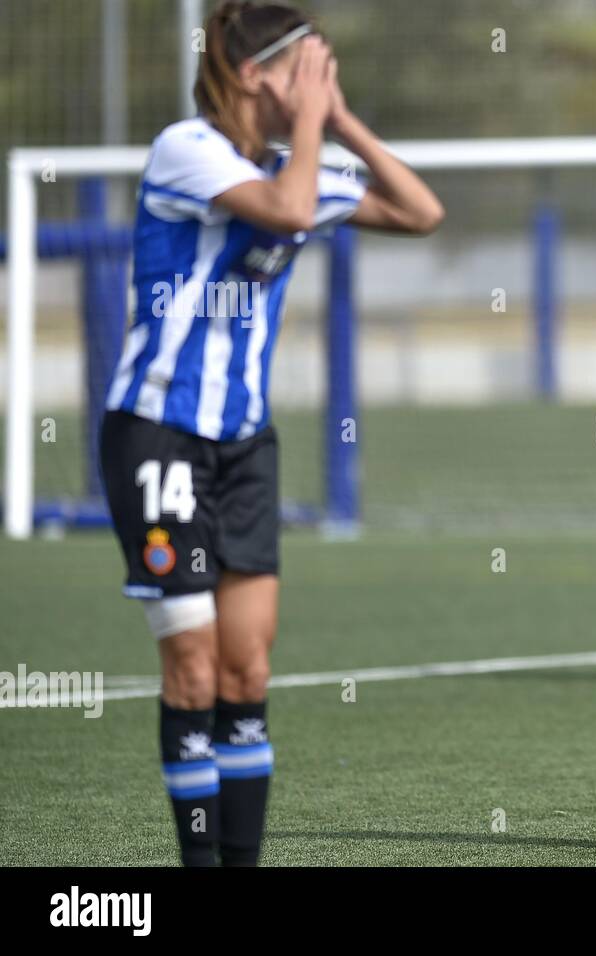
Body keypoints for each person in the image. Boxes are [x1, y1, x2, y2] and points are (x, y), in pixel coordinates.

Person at [100, 0, 443, 866]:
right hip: (159, 437)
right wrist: (314, 129)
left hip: (247, 448)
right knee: (194, 670)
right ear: (256, 74)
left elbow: (420, 212)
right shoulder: (189, 149)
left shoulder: (304, 165)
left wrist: (342, 122)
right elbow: (288, 213)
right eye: (310, 67)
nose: (322, 83)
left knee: (247, 674)